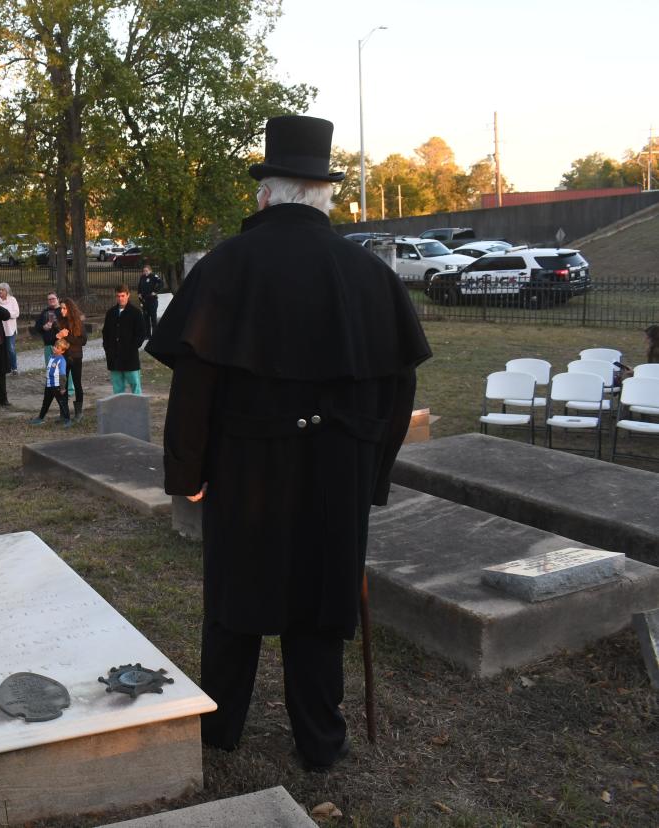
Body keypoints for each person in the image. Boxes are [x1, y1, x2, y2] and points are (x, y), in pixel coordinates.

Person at [146, 115, 430, 771]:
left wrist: (187, 473)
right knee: (319, 608)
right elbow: (399, 387)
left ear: (266, 194)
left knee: (235, 605)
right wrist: (374, 475)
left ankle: (219, 729)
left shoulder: (227, 267)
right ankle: (320, 741)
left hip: (246, 471)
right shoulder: (369, 275)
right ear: (323, 194)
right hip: (339, 471)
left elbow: (196, 382)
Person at [103, 284, 147, 395]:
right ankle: (119, 411)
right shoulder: (111, 313)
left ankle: (138, 410)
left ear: (128, 295)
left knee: (135, 386)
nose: (120, 298)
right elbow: (105, 332)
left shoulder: (136, 313)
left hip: (130, 357)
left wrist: (132, 347)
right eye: (118, 296)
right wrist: (107, 348)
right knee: (117, 388)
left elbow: (141, 334)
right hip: (114, 357)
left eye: (122, 296)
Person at [55, 297, 88, 420]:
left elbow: (83, 341)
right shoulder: (60, 321)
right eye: (61, 308)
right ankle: (64, 412)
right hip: (62, 358)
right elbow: (57, 339)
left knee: (77, 384)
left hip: (75, 357)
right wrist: (57, 336)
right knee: (62, 384)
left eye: (64, 308)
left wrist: (67, 336)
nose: (62, 311)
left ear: (70, 309)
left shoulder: (78, 322)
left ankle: (79, 412)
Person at [30, 338, 72, 427]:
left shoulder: (61, 360)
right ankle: (40, 418)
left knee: (62, 403)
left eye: (57, 348)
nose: (54, 348)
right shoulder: (51, 357)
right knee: (45, 402)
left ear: (62, 351)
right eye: (55, 346)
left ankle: (67, 420)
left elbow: (63, 375)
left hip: (57, 385)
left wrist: (62, 387)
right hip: (49, 385)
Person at [0, 282, 21, 374]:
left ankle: (14, 368)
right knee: (0, 350)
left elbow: (16, 313)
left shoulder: (12, 300)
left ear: (7, 291)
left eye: (2, 290)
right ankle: (4, 367)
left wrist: (6, 314)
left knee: (11, 349)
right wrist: (6, 314)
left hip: (10, 329)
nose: (0, 291)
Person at [137, 265, 164, 339]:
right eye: (144, 271)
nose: (145, 272)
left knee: (153, 318)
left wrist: (155, 291)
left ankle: (154, 335)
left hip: (152, 300)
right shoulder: (142, 277)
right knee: (146, 318)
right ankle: (147, 335)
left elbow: (161, 283)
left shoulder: (153, 276)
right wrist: (139, 293)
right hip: (144, 301)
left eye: (146, 271)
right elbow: (139, 287)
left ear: (150, 271)